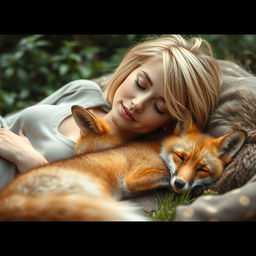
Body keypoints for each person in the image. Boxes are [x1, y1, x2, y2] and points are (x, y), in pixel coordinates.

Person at [0, 34, 222, 190]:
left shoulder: (126, 165)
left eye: (159, 107)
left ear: (171, 123)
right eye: (141, 84)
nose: (137, 103)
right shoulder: (83, 91)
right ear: (130, 69)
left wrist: (32, 162)